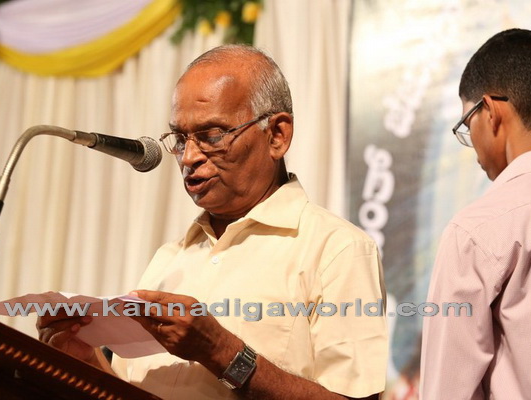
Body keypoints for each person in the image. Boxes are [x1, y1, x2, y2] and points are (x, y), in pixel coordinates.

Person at [38, 44, 387, 400]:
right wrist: (86, 364)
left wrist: (221, 352)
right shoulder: (170, 257)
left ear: (277, 135)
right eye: (179, 138)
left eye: (212, 135)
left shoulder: (336, 250)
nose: (189, 157)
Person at [420, 28, 531, 399]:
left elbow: (447, 390)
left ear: (491, 111)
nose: (470, 140)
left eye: (466, 123)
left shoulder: (479, 230)